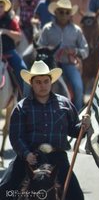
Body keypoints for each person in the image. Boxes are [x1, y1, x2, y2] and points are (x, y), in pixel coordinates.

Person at [0, 60, 91, 200]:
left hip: (58, 158)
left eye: (45, 81)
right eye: (38, 82)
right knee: (5, 191)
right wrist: (26, 154)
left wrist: (84, 127)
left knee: (76, 196)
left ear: (51, 82)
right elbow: (16, 137)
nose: (43, 85)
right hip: (29, 158)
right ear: (31, 83)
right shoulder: (21, 107)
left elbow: (74, 131)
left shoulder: (65, 104)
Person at [37, 0, 89, 110]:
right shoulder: (47, 29)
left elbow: (86, 51)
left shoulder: (77, 30)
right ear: (56, 12)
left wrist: (74, 51)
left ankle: (78, 114)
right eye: (61, 11)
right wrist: (48, 50)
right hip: (49, 65)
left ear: (70, 14)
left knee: (78, 86)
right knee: (35, 85)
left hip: (69, 64)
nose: (64, 14)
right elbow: (39, 47)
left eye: (67, 12)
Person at [0, 0, 29, 95]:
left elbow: (19, 36)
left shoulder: (11, 21)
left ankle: (26, 101)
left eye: (1, 5)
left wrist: (5, 31)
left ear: (4, 7)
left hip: (9, 53)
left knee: (23, 70)